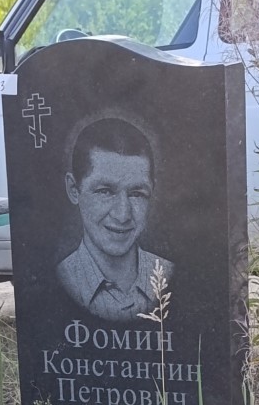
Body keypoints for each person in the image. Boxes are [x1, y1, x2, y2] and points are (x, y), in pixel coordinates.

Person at [55, 115, 172, 322]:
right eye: (105, 191)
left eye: (137, 194)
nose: (122, 215)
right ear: (74, 189)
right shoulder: (60, 278)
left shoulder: (169, 273)